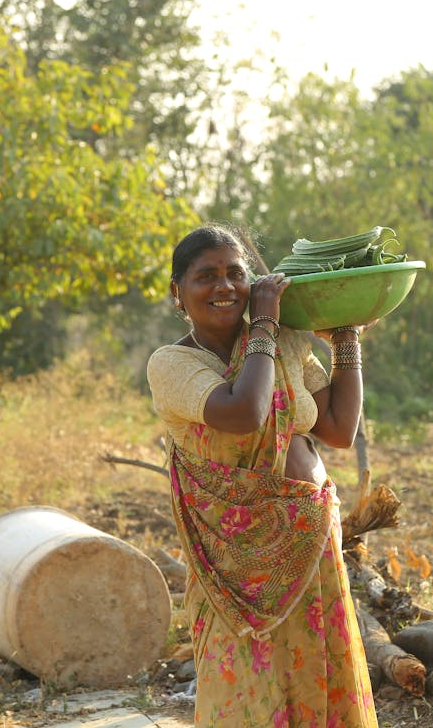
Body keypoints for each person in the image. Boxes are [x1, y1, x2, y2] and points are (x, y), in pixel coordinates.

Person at [146, 224, 379, 727]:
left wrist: (346, 338)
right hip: (235, 569)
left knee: (320, 675)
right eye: (206, 276)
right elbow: (244, 412)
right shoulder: (172, 364)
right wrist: (266, 325)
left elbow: (338, 428)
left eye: (236, 273)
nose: (224, 286)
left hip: (312, 540)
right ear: (177, 292)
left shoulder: (288, 346)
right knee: (248, 693)